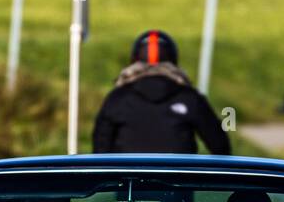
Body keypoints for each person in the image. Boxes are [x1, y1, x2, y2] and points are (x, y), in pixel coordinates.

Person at [92, 30, 230, 154]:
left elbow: (100, 151)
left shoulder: (117, 98)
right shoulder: (190, 98)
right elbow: (220, 146)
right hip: (178, 180)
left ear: (134, 60)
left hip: (128, 180)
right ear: (173, 59)